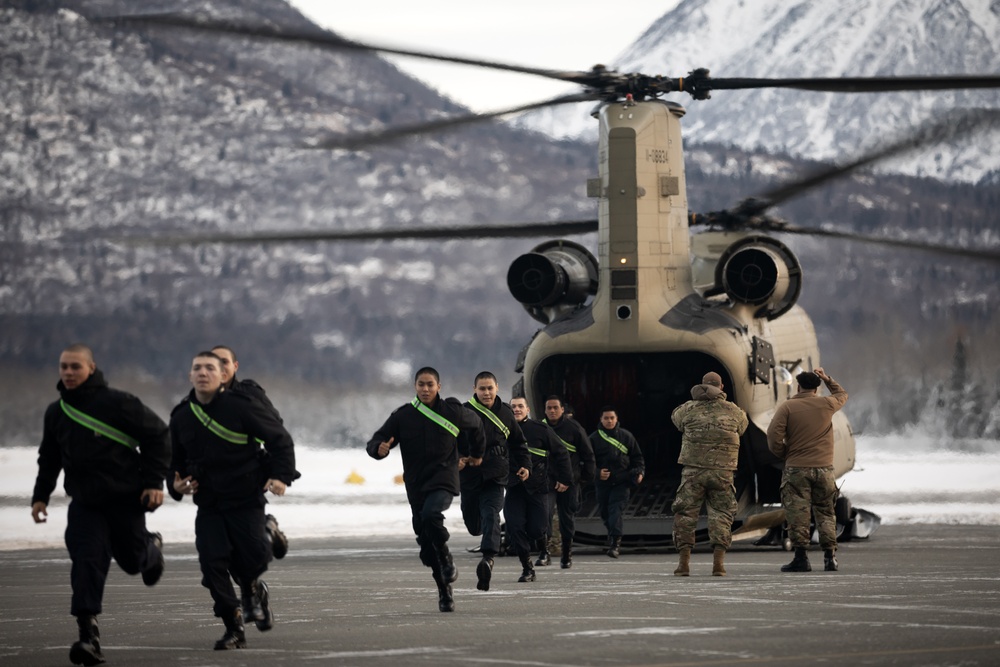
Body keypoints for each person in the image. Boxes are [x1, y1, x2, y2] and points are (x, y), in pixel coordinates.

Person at [31, 343, 170, 666]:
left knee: (133, 562)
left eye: (75, 367)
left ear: (90, 368)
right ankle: (88, 635)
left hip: (125, 499)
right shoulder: (56, 412)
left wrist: (153, 482)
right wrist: (41, 496)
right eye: (63, 367)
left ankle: (151, 549)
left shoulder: (118, 403)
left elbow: (159, 436)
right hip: (86, 504)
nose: (68, 372)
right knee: (87, 561)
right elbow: (49, 457)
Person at [169, 351, 297, 649]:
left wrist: (281, 477)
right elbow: (174, 460)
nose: (203, 373)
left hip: (246, 497)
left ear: (222, 374)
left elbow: (279, 439)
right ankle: (234, 627)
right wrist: (175, 484)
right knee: (212, 566)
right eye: (197, 368)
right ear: (190, 375)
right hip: (209, 502)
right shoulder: (182, 415)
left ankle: (264, 542)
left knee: (252, 556)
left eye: (209, 368)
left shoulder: (242, 406)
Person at [367, 367, 485, 612]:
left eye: (430, 384)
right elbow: (377, 439)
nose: (425, 389)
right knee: (426, 539)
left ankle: (446, 557)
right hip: (416, 484)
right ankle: (444, 590)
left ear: (438, 387)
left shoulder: (453, 411)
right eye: (421, 384)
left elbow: (477, 426)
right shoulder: (403, 416)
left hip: (444, 477)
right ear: (415, 386)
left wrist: (475, 455)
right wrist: (378, 449)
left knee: (432, 516)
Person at [211, 345, 290, 560]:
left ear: (235, 366)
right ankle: (267, 529)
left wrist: (278, 473)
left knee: (244, 539)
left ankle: (266, 531)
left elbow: (276, 428)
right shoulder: (200, 400)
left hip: (250, 469)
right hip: (217, 477)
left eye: (224, 362)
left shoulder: (249, 393)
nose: (219, 367)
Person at [767, 367, 849, 573]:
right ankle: (830, 557)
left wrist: (785, 454)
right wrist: (827, 378)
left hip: (797, 469)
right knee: (826, 512)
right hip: (824, 469)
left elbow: (773, 437)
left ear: (798, 386)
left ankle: (801, 557)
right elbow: (842, 394)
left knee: (798, 514)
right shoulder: (827, 404)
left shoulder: (788, 407)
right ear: (816, 387)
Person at [670, 371, 749, 576]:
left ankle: (683, 564)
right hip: (723, 472)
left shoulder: (687, 409)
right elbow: (742, 428)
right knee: (721, 515)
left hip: (692, 472)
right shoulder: (735, 411)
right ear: (721, 388)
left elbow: (677, 422)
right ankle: (718, 565)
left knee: (686, 514)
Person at [457, 371, 530, 592]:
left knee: (491, 513)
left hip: (497, 474)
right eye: (482, 388)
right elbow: (449, 441)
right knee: (473, 525)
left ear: (497, 387)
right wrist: (456, 460)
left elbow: (518, 442)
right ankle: (482, 539)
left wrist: (526, 465)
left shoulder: (506, 414)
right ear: (474, 389)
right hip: (470, 475)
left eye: (490, 388)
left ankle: (487, 559)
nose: (486, 392)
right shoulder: (463, 412)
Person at [506, 397, 572, 583]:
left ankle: (543, 546)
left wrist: (565, 479)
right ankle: (527, 568)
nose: (517, 409)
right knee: (515, 526)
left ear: (527, 408)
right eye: (513, 407)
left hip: (538, 488)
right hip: (514, 488)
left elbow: (561, 453)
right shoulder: (503, 431)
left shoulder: (541, 430)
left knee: (537, 529)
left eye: (520, 406)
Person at [543, 395, 596, 568]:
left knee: (567, 519)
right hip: (548, 481)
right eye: (549, 408)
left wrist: (583, 479)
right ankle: (544, 552)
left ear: (562, 409)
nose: (552, 411)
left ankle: (567, 554)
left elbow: (587, 454)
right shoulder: (540, 428)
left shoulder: (573, 428)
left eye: (555, 408)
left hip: (570, 481)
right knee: (544, 515)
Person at [589, 406, 644, 558]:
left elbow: (637, 457)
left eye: (612, 418)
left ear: (617, 419)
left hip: (622, 481)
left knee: (615, 510)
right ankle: (613, 534)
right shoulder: (593, 438)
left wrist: (640, 472)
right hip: (603, 483)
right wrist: (597, 472)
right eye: (606, 418)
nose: (609, 421)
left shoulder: (626, 436)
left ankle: (615, 544)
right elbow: (586, 461)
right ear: (601, 419)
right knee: (605, 512)